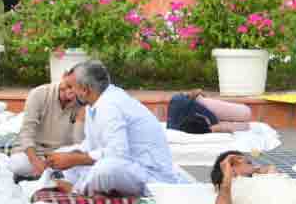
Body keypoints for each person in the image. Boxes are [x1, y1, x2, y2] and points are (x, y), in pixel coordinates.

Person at [46, 60, 192, 196]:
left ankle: (77, 190)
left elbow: (117, 154)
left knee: (106, 169)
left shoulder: (110, 105)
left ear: (85, 90)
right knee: (62, 153)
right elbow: (92, 146)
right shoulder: (95, 103)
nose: (70, 93)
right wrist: (71, 155)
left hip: (149, 174)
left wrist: (74, 159)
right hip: (126, 163)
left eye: (72, 87)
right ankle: (85, 185)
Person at [7, 69, 85, 178]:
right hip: (34, 151)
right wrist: (35, 161)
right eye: (68, 85)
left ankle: (48, 174)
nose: (69, 91)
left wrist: (81, 115)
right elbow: (27, 132)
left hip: (62, 153)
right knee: (18, 165)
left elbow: (78, 142)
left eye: (74, 87)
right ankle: (53, 174)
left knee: (86, 164)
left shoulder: (82, 102)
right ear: (64, 76)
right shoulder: (39, 93)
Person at [166, 90, 254, 134]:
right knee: (245, 123)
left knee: (245, 115)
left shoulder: (180, 102)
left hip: (197, 107)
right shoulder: (178, 124)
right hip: (195, 111)